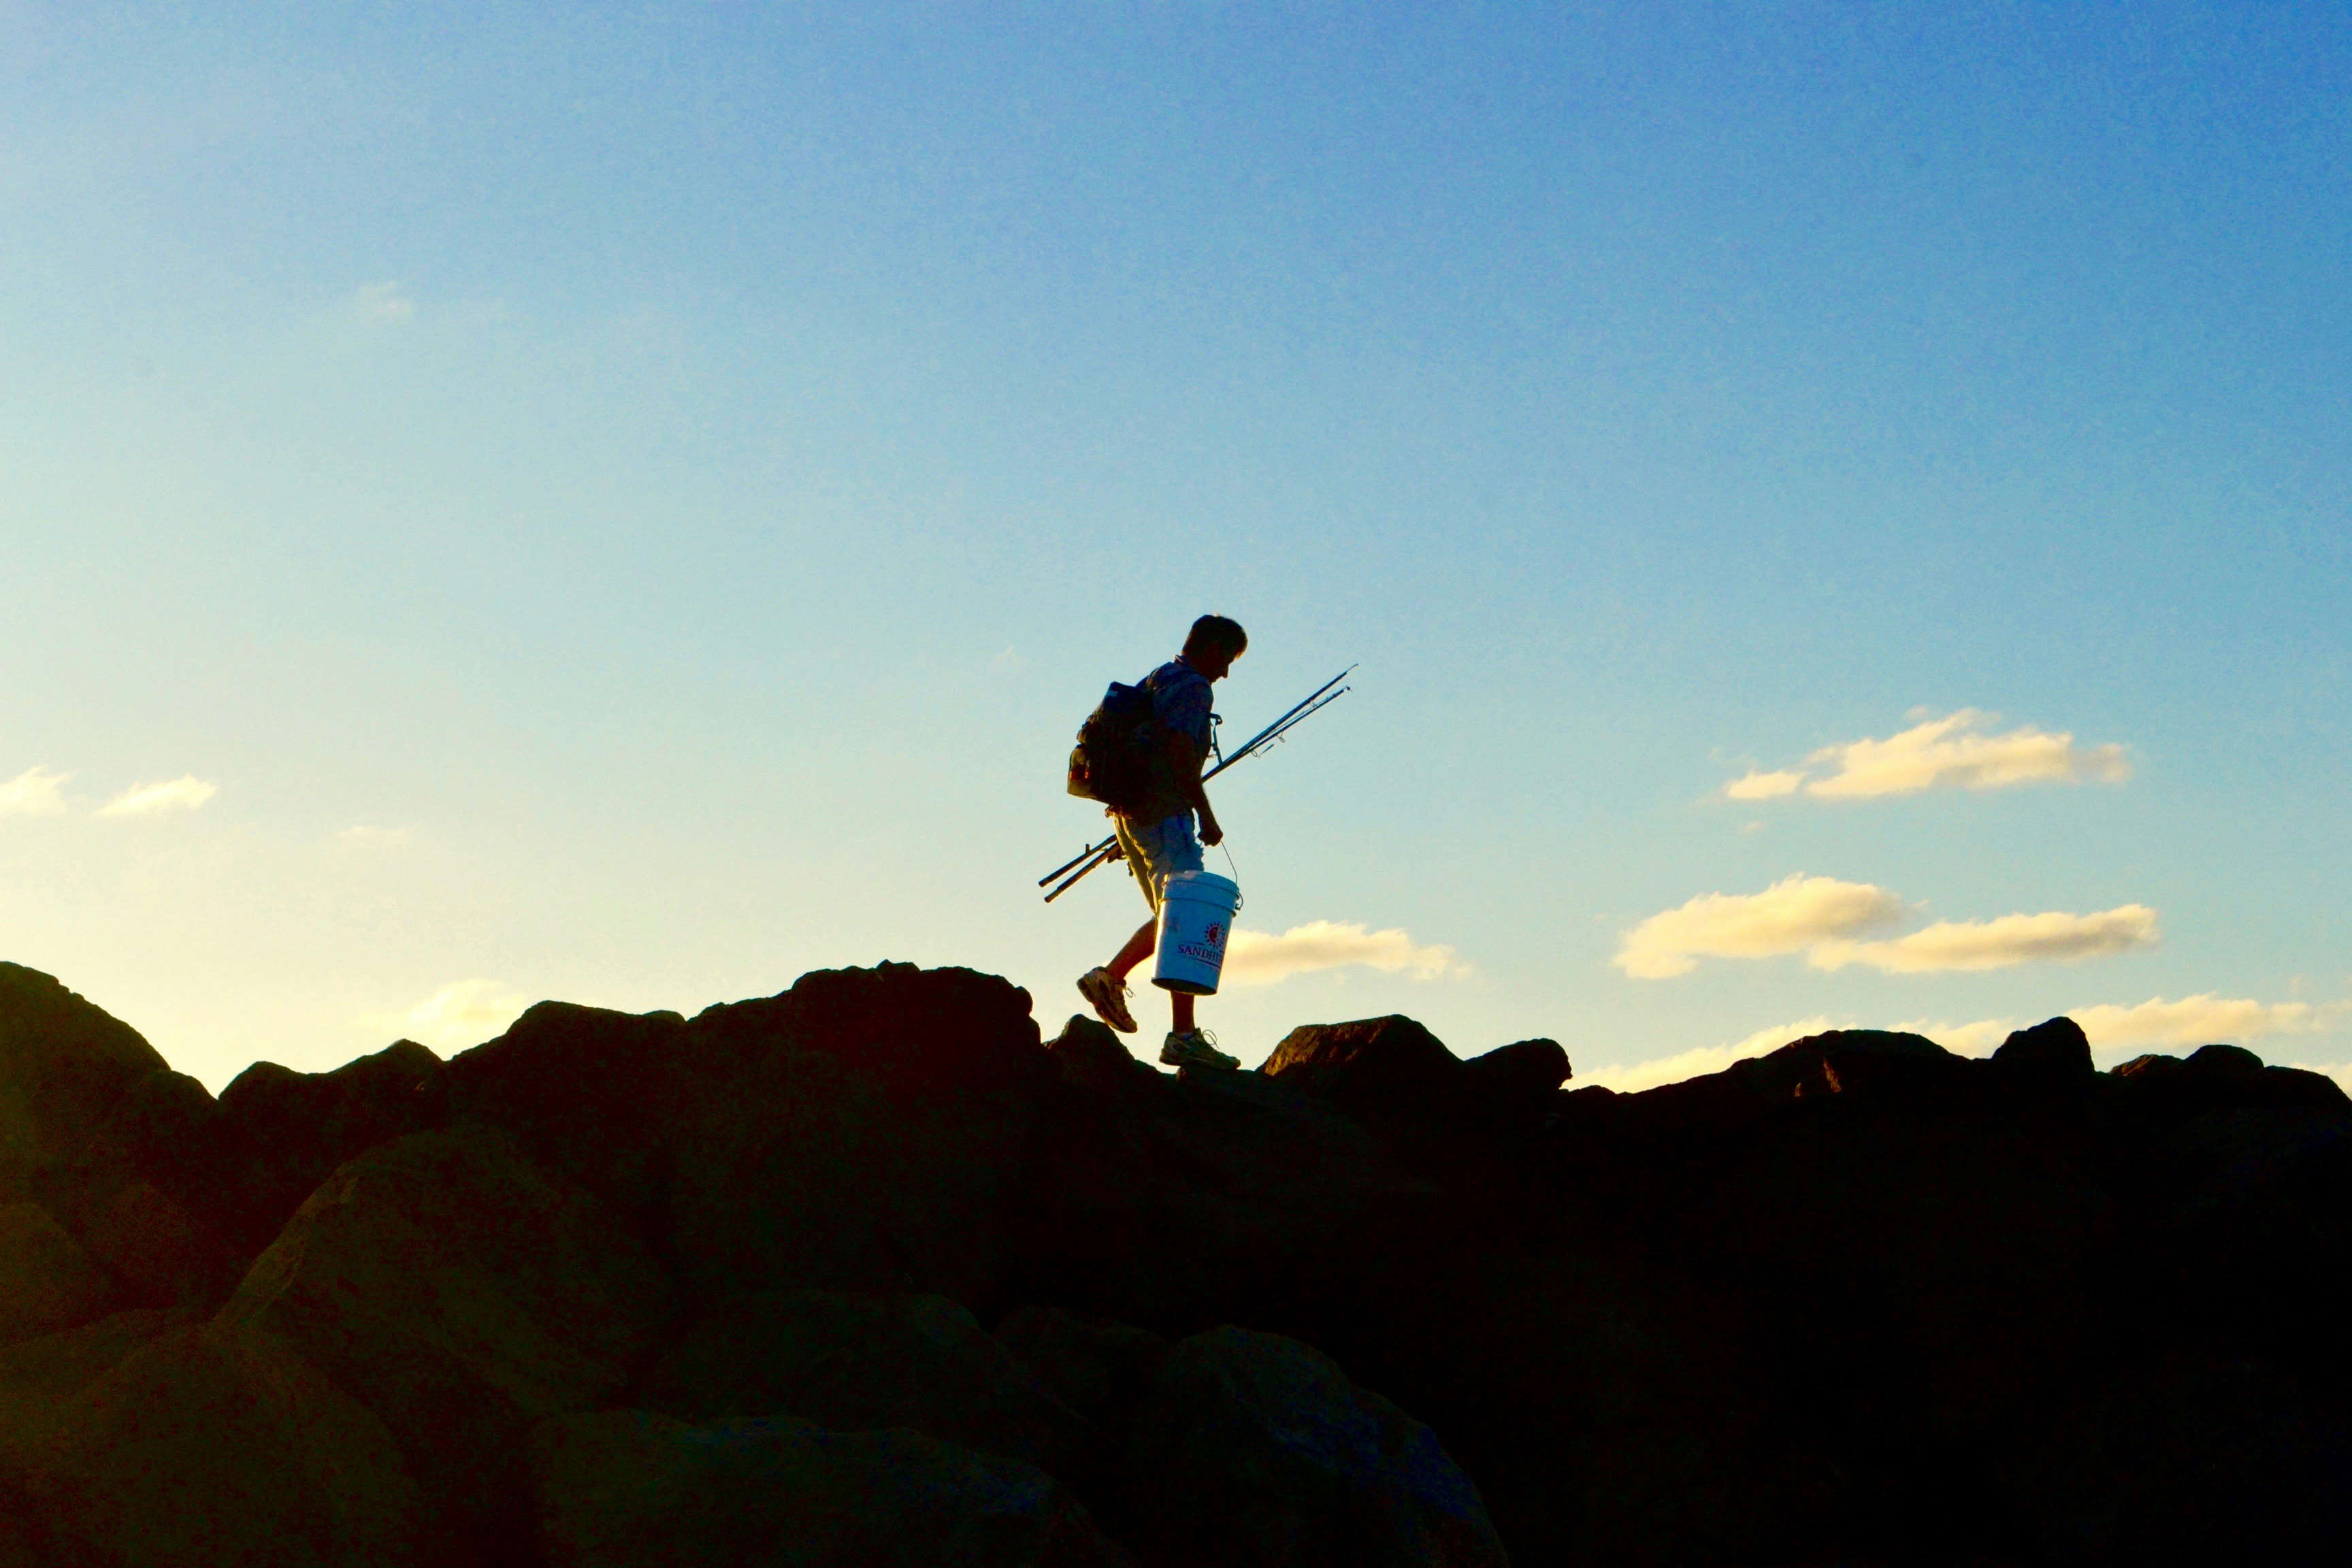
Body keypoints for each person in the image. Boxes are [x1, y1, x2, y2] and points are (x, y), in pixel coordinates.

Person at [1076, 615, 1247, 1070]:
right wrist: (1206, 816)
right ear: (1210, 648)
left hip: (1133, 818)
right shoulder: (1192, 687)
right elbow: (1175, 752)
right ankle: (1168, 1024)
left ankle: (1135, 998)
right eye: (1226, 659)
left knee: (1174, 916)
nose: (1225, 672)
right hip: (1165, 817)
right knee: (1186, 918)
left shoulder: (1159, 677)